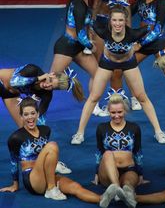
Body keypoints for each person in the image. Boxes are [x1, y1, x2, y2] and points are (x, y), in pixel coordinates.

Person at [0, 97, 128, 208]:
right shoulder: (16, 137)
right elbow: (13, 161)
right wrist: (15, 184)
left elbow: (47, 156)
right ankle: (51, 189)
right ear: (21, 117)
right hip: (33, 180)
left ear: (38, 114)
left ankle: (103, 199)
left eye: (33, 113)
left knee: (75, 187)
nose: (30, 117)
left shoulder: (45, 130)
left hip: (48, 174)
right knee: (52, 146)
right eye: (26, 115)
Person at [71, 4, 165, 145]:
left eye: (121, 20)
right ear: (110, 21)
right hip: (107, 63)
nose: (117, 24)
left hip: (128, 63)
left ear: (126, 21)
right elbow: (86, 21)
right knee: (94, 97)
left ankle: (158, 132)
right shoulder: (102, 30)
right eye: (114, 20)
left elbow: (157, 31)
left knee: (142, 97)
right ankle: (79, 133)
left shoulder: (133, 34)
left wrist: (153, 32)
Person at [50, 0, 107, 116]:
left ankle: (94, 106)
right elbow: (81, 34)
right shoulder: (79, 6)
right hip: (67, 47)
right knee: (50, 82)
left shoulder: (83, 2)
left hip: (78, 48)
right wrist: (90, 45)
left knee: (98, 74)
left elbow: (86, 28)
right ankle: (32, 103)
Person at [93, 93, 145, 208]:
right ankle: (116, 187)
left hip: (129, 169)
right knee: (107, 153)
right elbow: (99, 150)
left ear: (125, 111)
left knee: (128, 186)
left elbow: (137, 151)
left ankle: (127, 195)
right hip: (108, 171)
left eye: (119, 112)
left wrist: (140, 174)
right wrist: (97, 173)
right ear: (108, 112)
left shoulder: (134, 127)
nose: (116, 116)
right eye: (113, 112)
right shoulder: (102, 128)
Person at [0, 63, 83, 126]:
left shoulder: (46, 95)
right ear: (52, 74)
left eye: (51, 87)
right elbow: (14, 82)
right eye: (49, 80)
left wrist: (40, 132)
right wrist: (38, 78)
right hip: (1, 81)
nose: (47, 85)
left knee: (24, 126)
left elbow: (41, 119)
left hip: (10, 95)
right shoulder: (33, 70)